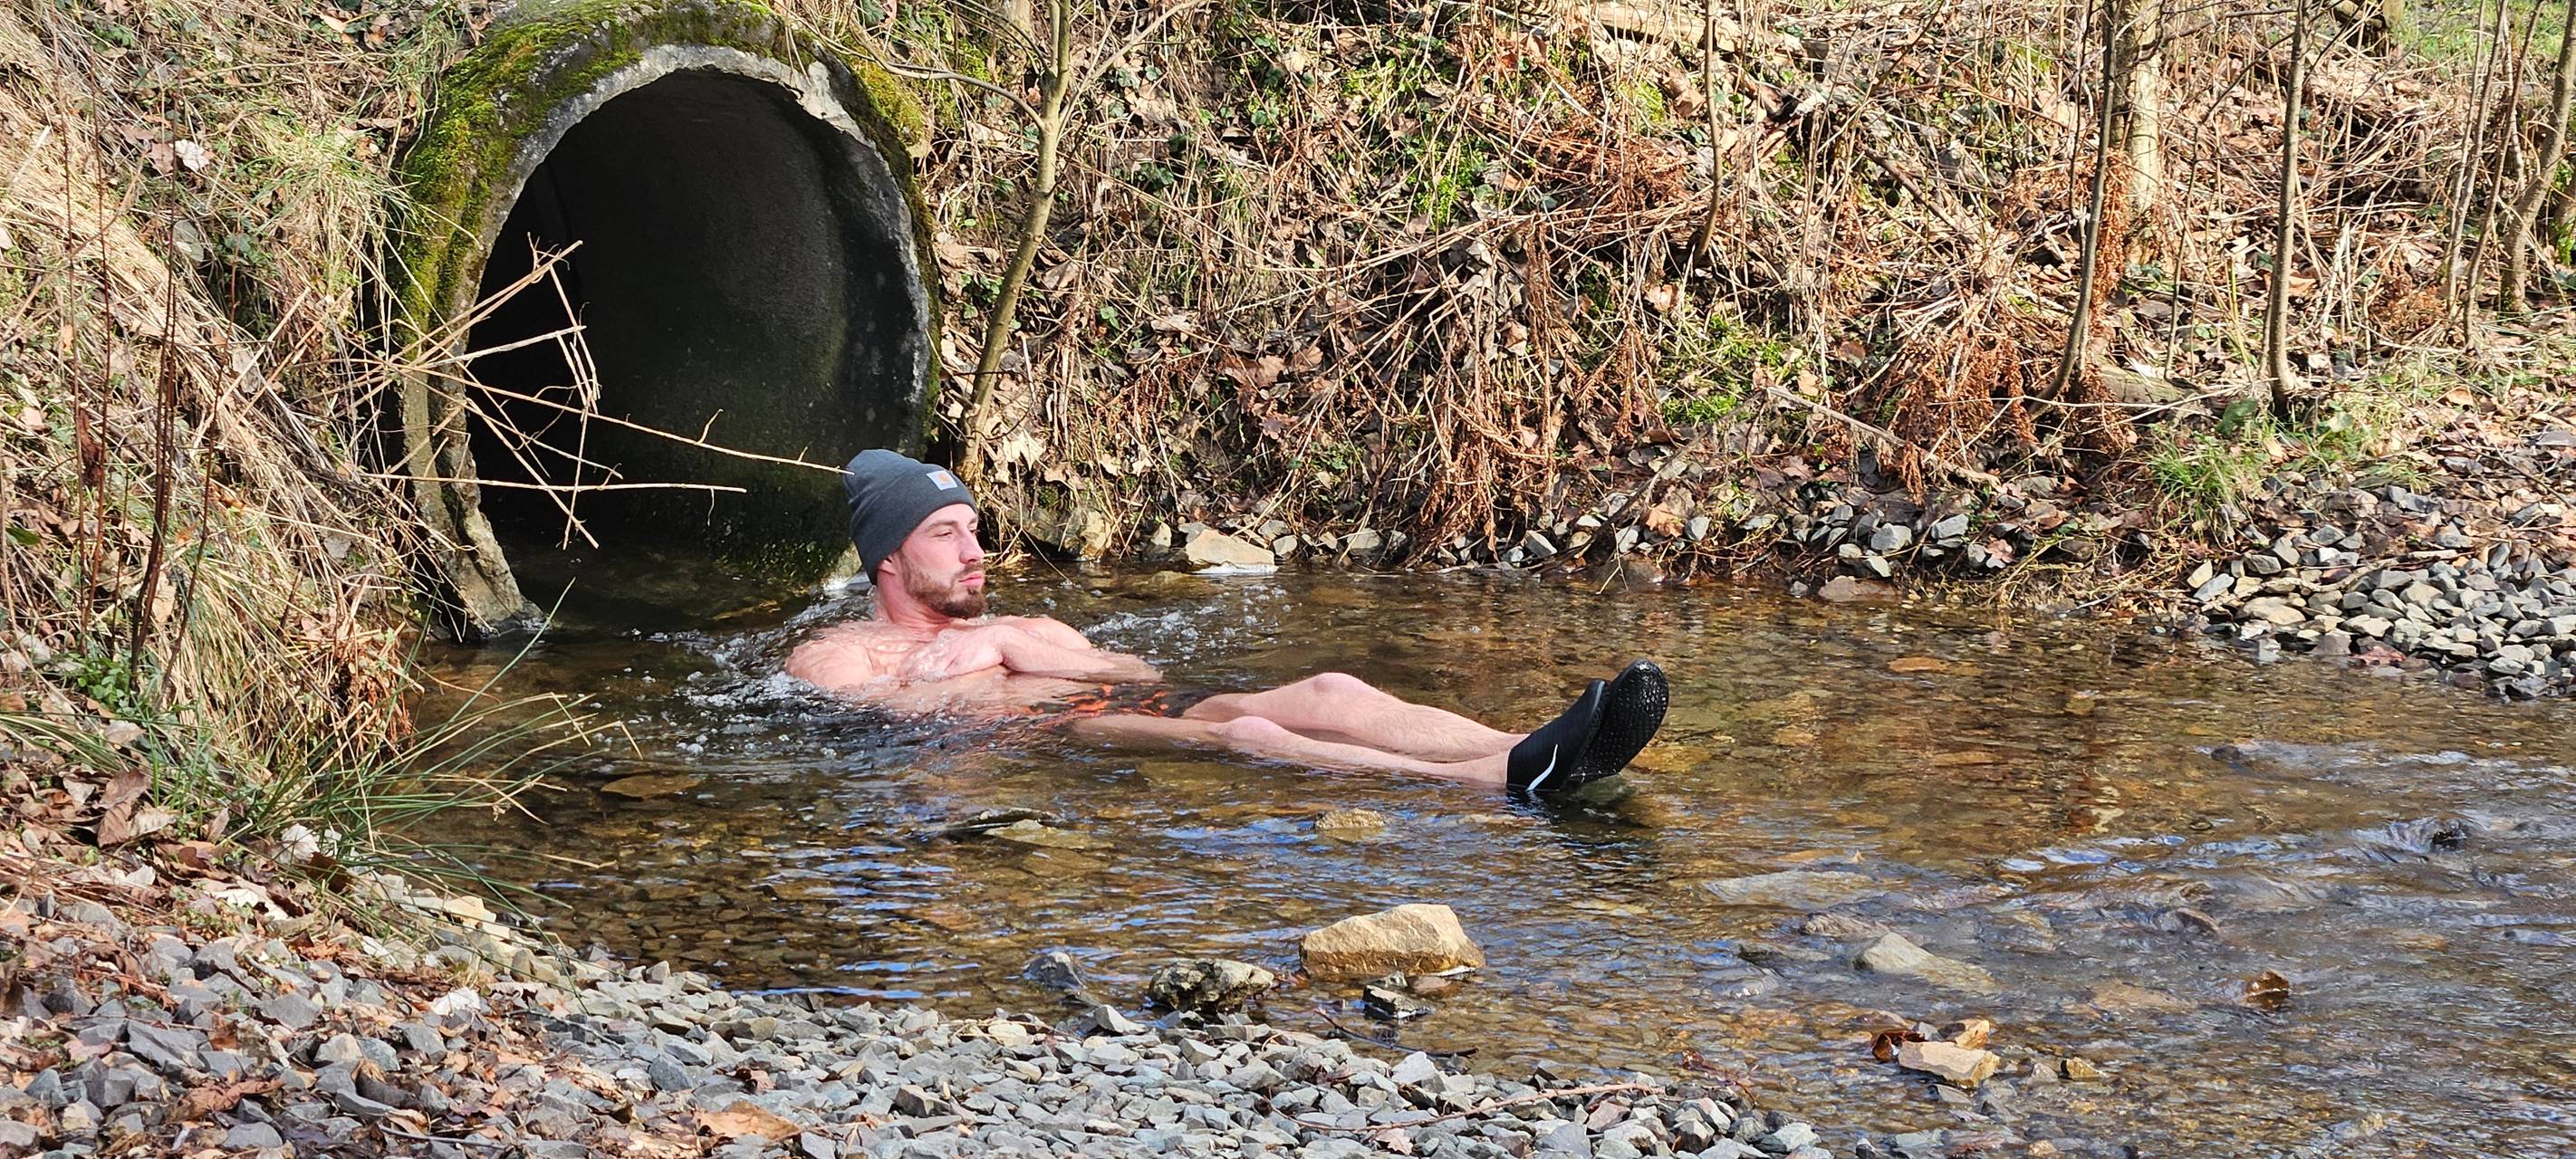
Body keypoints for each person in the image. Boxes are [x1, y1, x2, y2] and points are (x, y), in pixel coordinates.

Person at [784, 449, 1668, 800]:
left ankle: (1552, 741)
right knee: (1251, 728)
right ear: (888, 561)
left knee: (1330, 687)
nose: (975, 549)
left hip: (1119, 698)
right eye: (947, 533)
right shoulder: (839, 648)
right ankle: (1505, 778)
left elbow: (1125, 665)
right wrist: (972, 668)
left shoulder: (1021, 618)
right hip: (1041, 733)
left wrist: (1015, 641)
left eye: (976, 527)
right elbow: (875, 720)